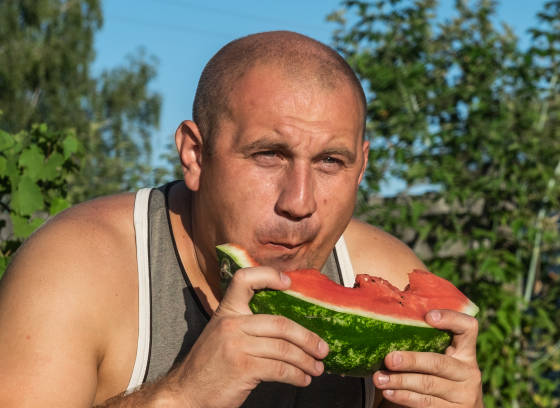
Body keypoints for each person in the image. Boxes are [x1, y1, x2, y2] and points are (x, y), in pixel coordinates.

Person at [0, 31, 483, 407]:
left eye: (330, 162)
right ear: (195, 155)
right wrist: (183, 396)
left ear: (362, 167)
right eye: (269, 155)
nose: (298, 201)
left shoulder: (385, 270)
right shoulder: (77, 270)